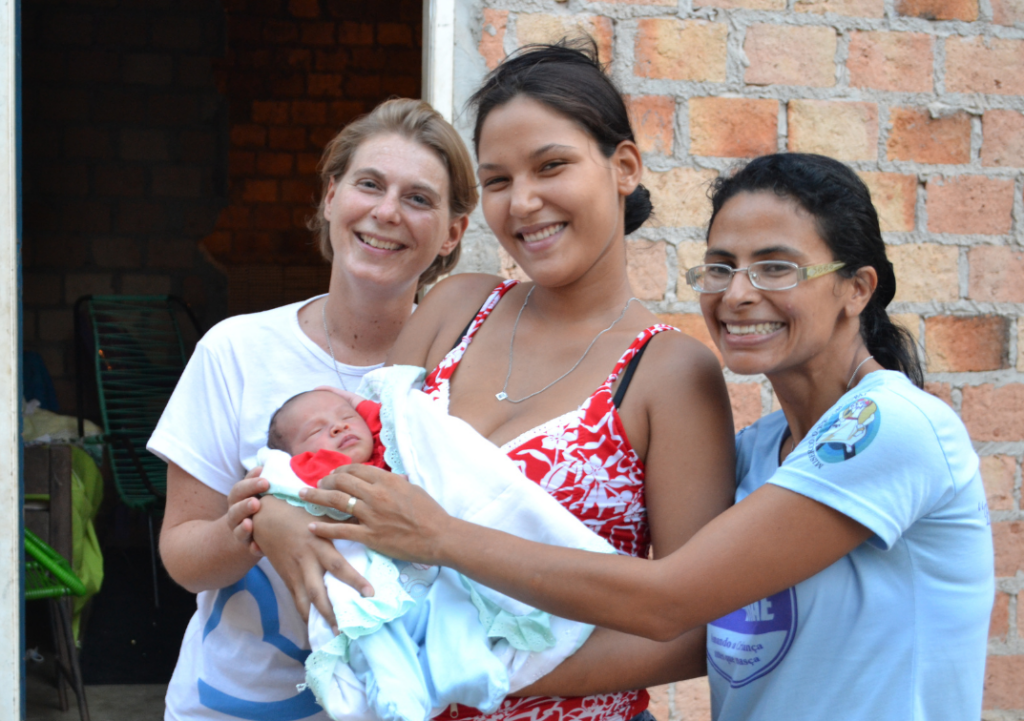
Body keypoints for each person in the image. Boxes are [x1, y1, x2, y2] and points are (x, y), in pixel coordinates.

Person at [303, 151, 995, 720]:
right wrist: (449, 673)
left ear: (856, 288)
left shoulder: (892, 428)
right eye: (720, 266)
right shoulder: (758, 453)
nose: (738, 292)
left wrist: (439, 538)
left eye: (777, 267)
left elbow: (669, 600)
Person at [313, 40, 738, 721]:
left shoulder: (667, 372)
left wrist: (472, 674)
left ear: (623, 165)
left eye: (551, 165)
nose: (524, 202)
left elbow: (697, 627)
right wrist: (278, 515)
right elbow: (346, 473)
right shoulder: (456, 310)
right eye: (499, 180)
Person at [148, 97, 478, 721]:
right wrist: (254, 524)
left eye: (418, 198)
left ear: (453, 232)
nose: (386, 212)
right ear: (331, 197)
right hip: (233, 706)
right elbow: (184, 557)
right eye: (369, 184)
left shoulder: (464, 372)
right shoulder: (236, 350)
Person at [255, 376, 627, 721]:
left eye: (345, 417)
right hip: (368, 584)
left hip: (430, 572)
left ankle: (466, 668)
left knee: (458, 605)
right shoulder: (307, 474)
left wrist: (366, 404)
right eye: (316, 430)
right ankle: (393, 693)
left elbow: (388, 412)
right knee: (371, 634)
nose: (337, 426)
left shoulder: (393, 445)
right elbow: (274, 479)